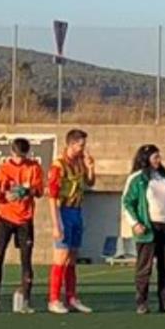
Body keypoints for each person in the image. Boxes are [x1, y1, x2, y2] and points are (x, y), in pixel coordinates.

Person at [122, 144, 165, 314]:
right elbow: (127, 202)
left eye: (159, 157)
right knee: (145, 267)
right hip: (148, 227)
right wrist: (135, 223)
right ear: (146, 159)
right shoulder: (137, 178)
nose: (159, 160)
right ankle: (142, 302)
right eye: (155, 157)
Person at [0, 137, 44, 314]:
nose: (20, 159)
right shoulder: (4, 168)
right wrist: (3, 195)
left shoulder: (34, 167)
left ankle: (26, 300)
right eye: (18, 156)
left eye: (23, 156)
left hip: (25, 220)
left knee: (26, 260)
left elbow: (40, 191)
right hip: (5, 218)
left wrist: (27, 191)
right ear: (12, 153)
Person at [47, 129, 95, 314]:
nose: (83, 149)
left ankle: (71, 297)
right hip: (63, 211)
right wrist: (56, 223)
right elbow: (51, 196)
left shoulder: (80, 162)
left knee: (73, 256)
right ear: (71, 144)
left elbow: (90, 183)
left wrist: (91, 167)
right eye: (80, 145)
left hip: (77, 211)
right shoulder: (58, 166)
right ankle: (54, 299)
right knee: (61, 256)